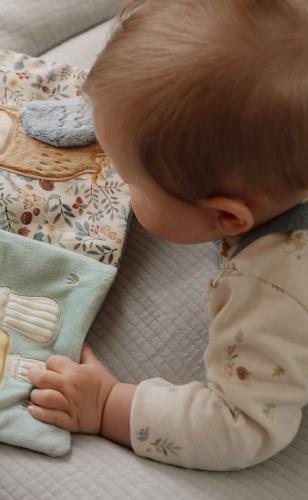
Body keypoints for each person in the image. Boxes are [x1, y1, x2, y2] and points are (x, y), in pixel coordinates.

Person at [27, 0, 308, 470]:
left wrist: (109, 404)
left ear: (228, 217)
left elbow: (242, 426)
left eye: (133, 181)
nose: (120, 183)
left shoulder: (272, 292)